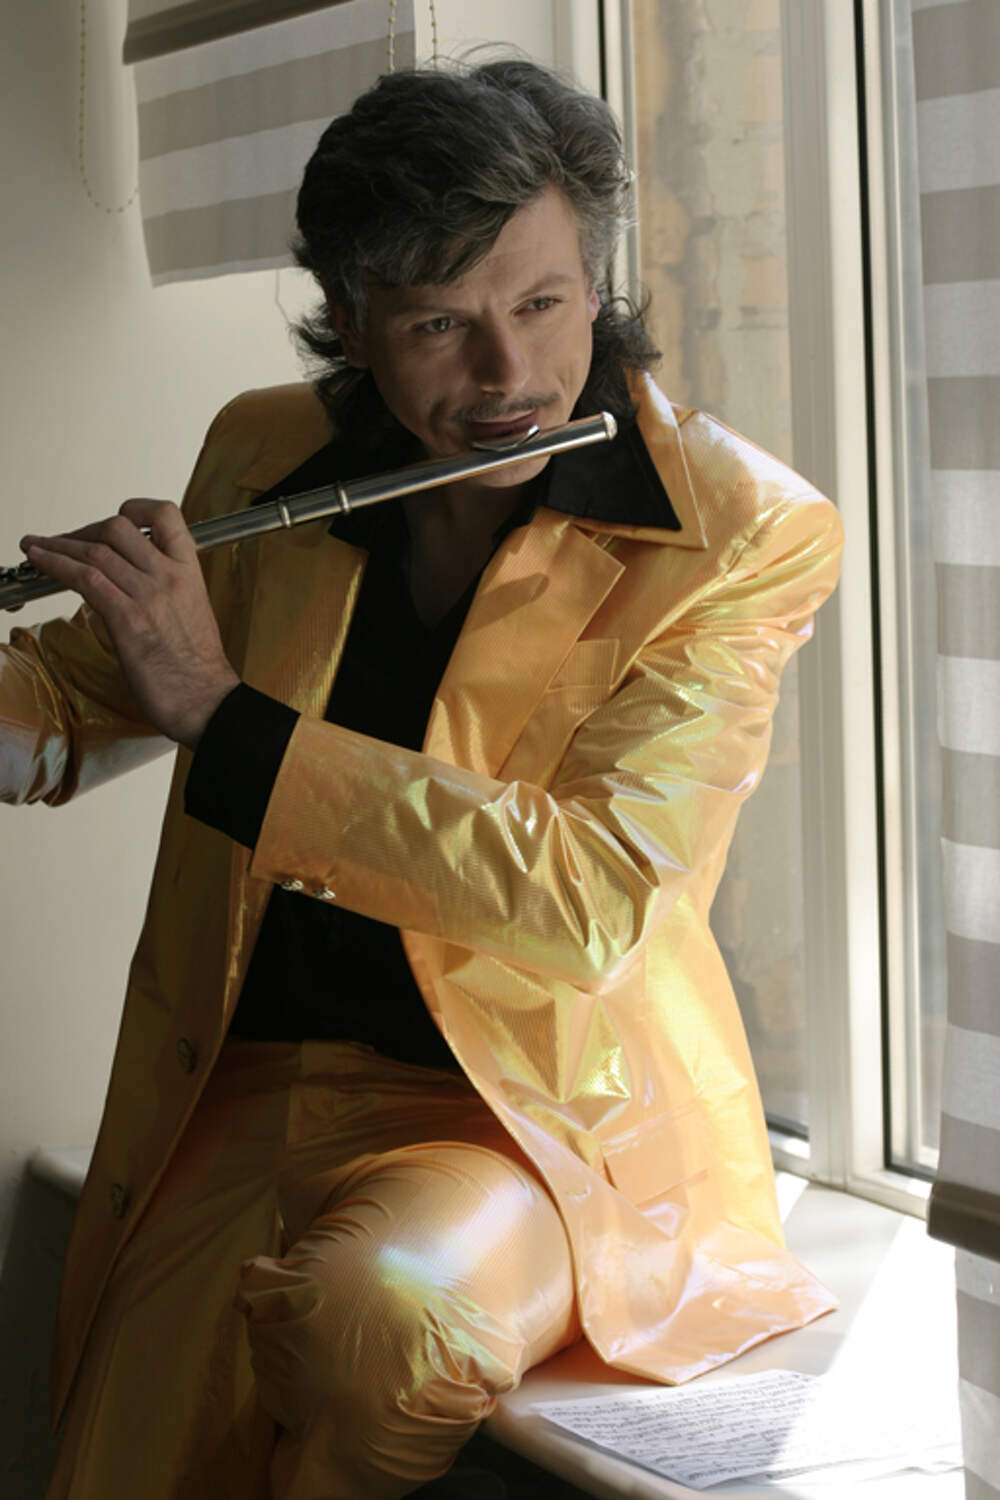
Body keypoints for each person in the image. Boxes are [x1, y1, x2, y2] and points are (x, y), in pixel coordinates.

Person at [2, 59, 842, 1500]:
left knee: (382, 1322)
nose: (509, 376)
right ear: (353, 322)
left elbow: (594, 895)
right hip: (245, 1087)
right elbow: (79, 702)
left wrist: (227, 721)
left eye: (545, 303)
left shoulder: (739, 530)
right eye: (441, 325)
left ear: (595, 279)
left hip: (527, 1120)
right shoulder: (268, 448)